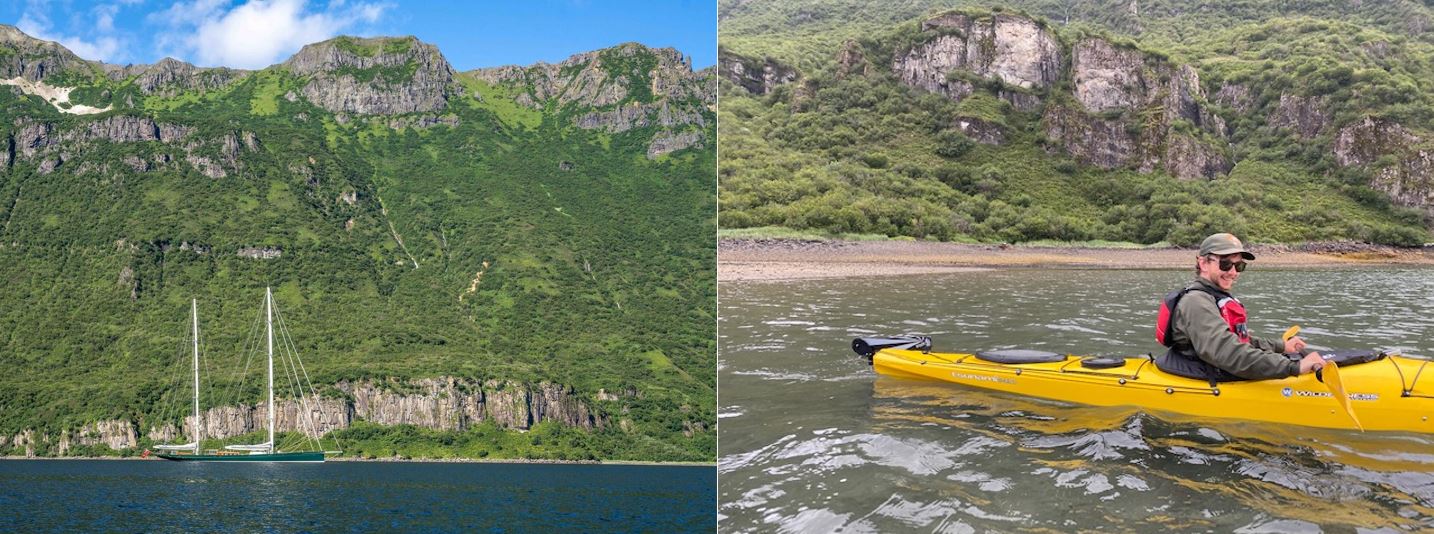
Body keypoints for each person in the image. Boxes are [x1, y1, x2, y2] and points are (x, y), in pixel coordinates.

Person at [1154, 233, 1325, 383]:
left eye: (1239, 266)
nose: (1234, 272)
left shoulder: (1213, 296)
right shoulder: (1196, 302)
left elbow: (1238, 340)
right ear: (1204, 263)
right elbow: (1228, 352)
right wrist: (1295, 367)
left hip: (1217, 367)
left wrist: (1280, 347)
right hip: (1204, 373)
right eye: (1226, 264)